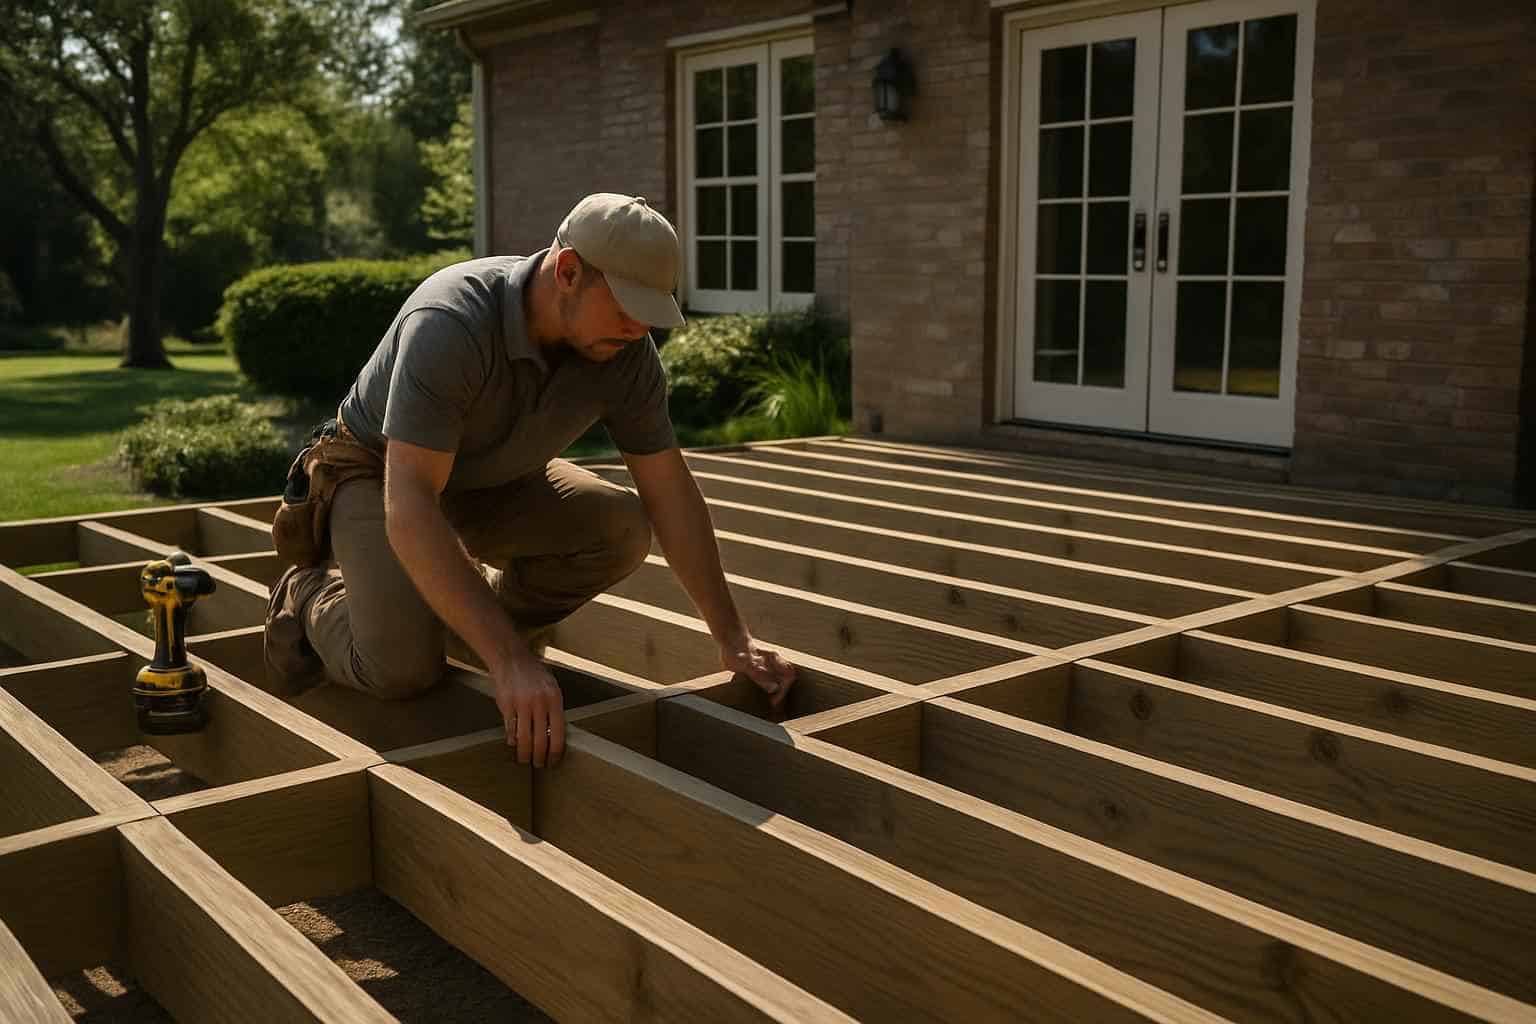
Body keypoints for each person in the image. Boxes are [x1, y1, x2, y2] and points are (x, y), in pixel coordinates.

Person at [263, 193, 796, 769]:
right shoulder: (452, 321)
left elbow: (670, 491)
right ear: (568, 271)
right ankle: (308, 592)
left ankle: (473, 626)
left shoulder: (626, 351)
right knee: (402, 668)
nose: (637, 326)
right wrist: (512, 661)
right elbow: (411, 502)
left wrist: (732, 636)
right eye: (625, 306)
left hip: (491, 479)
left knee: (618, 526)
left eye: (649, 310)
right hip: (378, 473)